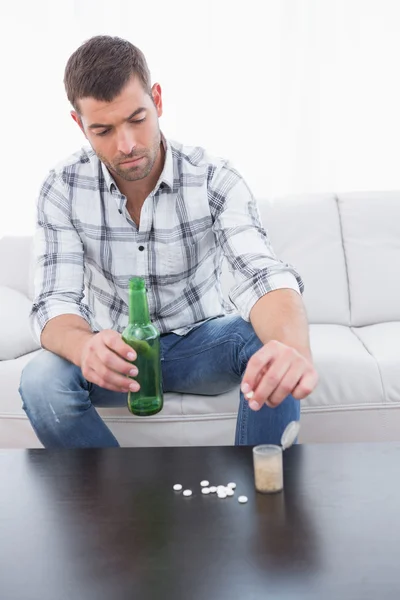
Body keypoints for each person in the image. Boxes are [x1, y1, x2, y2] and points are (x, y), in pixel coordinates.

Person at [19, 35, 318, 448]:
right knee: (40, 382)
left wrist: (292, 349)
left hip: (202, 344)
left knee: (265, 346)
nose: (126, 145)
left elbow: (260, 274)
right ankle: (119, 505)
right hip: (118, 356)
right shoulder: (62, 187)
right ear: (79, 124)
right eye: (103, 130)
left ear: (157, 100)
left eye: (137, 119)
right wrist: (85, 346)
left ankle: (262, 499)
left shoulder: (214, 178)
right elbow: (55, 301)